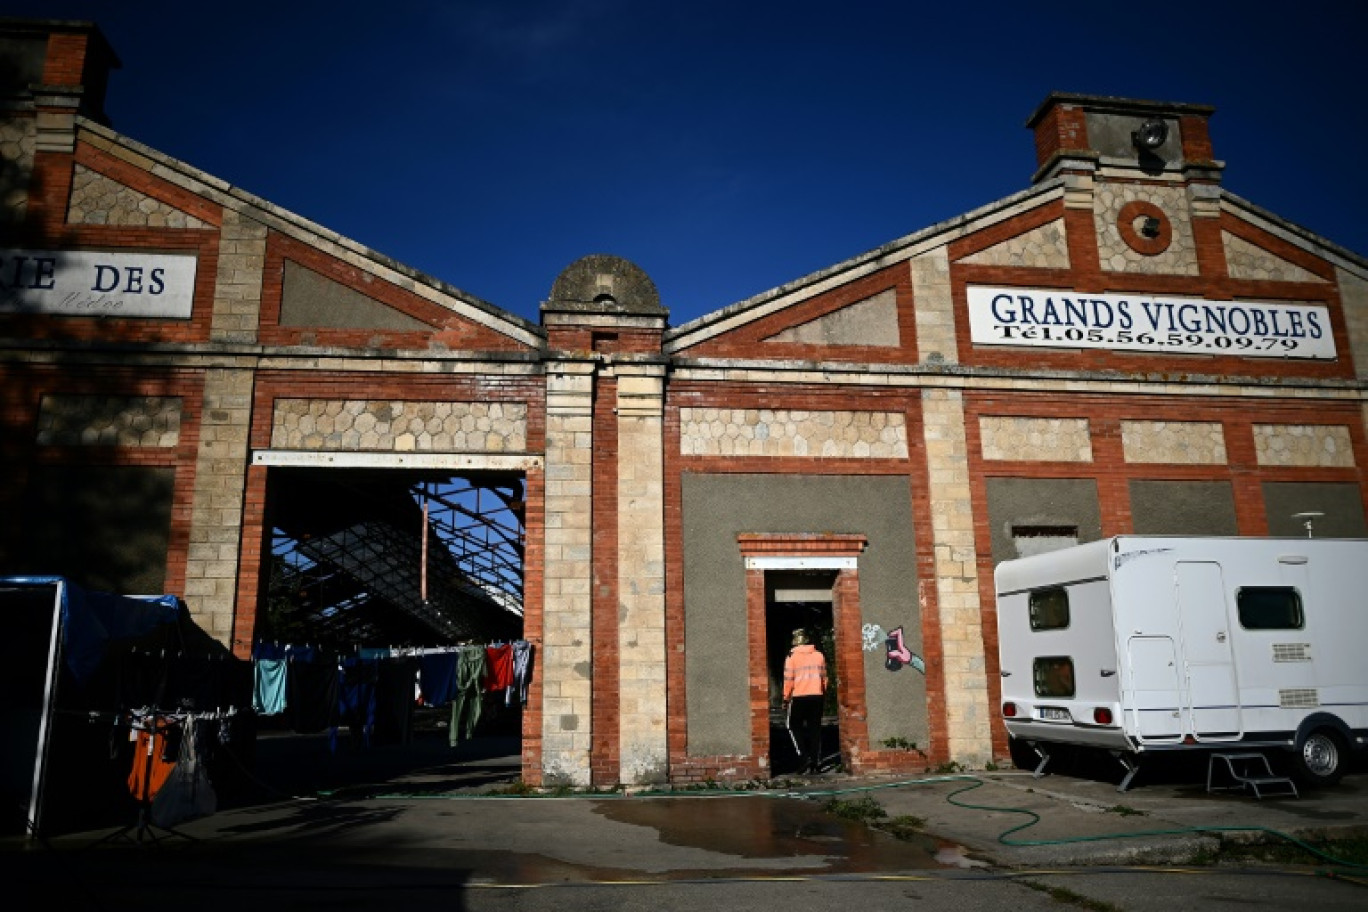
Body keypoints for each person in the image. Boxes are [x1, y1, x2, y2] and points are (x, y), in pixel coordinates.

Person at [783, 628, 828, 774]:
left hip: (799, 697)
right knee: (815, 729)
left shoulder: (792, 657)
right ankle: (815, 762)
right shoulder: (819, 655)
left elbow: (788, 679)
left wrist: (785, 697)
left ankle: (804, 757)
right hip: (817, 696)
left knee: (793, 726)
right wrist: (823, 692)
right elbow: (824, 677)